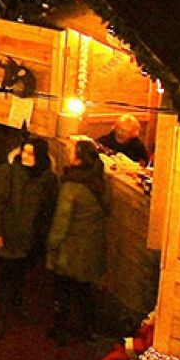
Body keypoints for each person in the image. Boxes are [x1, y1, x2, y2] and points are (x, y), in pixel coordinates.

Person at [0, 137, 58, 340]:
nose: (25, 156)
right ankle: (0, 316)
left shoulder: (46, 179)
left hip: (30, 239)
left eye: (31, 153)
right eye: (24, 152)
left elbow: (49, 209)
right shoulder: (7, 174)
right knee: (6, 278)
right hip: (9, 235)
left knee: (20, 276)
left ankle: (16, 305)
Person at [47, 139, 109, 346]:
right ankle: (87, 329)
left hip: (71, 250)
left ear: (78, 158)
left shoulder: (72, 187)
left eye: (71, 150)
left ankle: (59, 330)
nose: (68, 151)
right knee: (84, 291)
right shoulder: (98, 182)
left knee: (62, 291)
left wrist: (51, 245)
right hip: (90, 249)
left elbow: (61, 222)